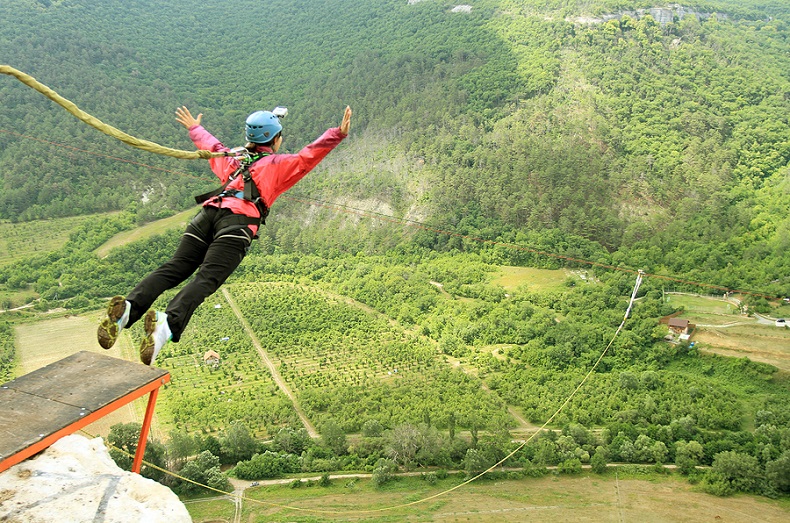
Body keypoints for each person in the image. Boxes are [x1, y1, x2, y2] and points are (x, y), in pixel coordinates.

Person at [98, 104, 352, 365]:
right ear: (275, 140)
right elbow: (307, 156)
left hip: (206, 216)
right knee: (207, 279)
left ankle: (128, 309)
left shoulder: (234, 159)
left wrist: (195, 129)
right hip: (237, 224)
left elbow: (213, 147)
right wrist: (338, 133)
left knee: (175, 267)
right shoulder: (278, 164)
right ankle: (165, 325)